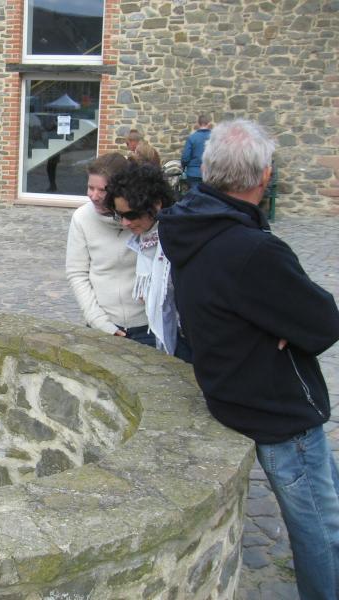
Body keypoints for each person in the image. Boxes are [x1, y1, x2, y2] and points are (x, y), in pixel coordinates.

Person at [158, 119, 339, 600]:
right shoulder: (252, 249)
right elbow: (324, 322)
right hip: (277, 410)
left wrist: (277, 323)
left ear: (209, 170)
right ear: (264, 176)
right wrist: (281, 327)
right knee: (322, 531)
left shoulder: (188, 225)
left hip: (230, 388)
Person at [104, 163, 190, 361]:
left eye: (131, 214)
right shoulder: (146, 238)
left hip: (187, 337)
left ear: (156, 204)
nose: (125, 222)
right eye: (120, 215)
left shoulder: (179, 237)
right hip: (168, 337)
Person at [65, 153, 151, 345]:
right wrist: (99, 322)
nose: (94, 196)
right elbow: (77, 273)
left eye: (102, 190)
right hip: (103, 325)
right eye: (90, 187)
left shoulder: (145, 219)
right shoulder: (82, 218)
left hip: (147, 326)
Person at [180, 114, 211, 187]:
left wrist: (183, 166)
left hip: (193, 173)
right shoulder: (214, 137)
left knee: (194, 194)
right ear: (208, 124)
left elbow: (185, 157)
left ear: (198, 124)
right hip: (210, 173)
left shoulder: (192, 138)